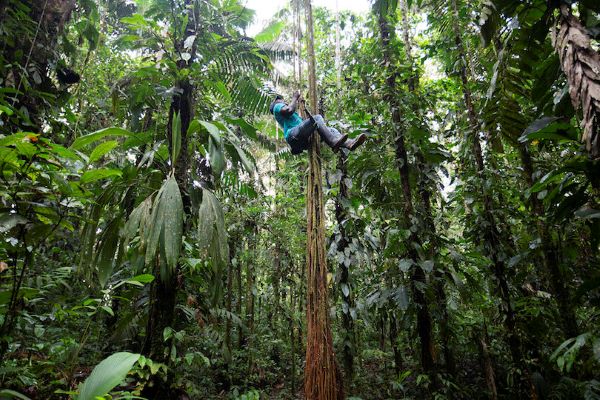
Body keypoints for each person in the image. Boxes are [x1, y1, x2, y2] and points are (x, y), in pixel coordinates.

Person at [270, 91, 367, 155]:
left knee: (332, 130)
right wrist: (294, 97)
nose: (283, 101)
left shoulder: (292, 118)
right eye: (280, 100)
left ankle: (349, 144)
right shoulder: (277, 106)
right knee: (317, 118)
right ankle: (333, 142)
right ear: (276, 102)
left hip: (301, 140)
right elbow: (289, 110)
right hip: (293, 135)